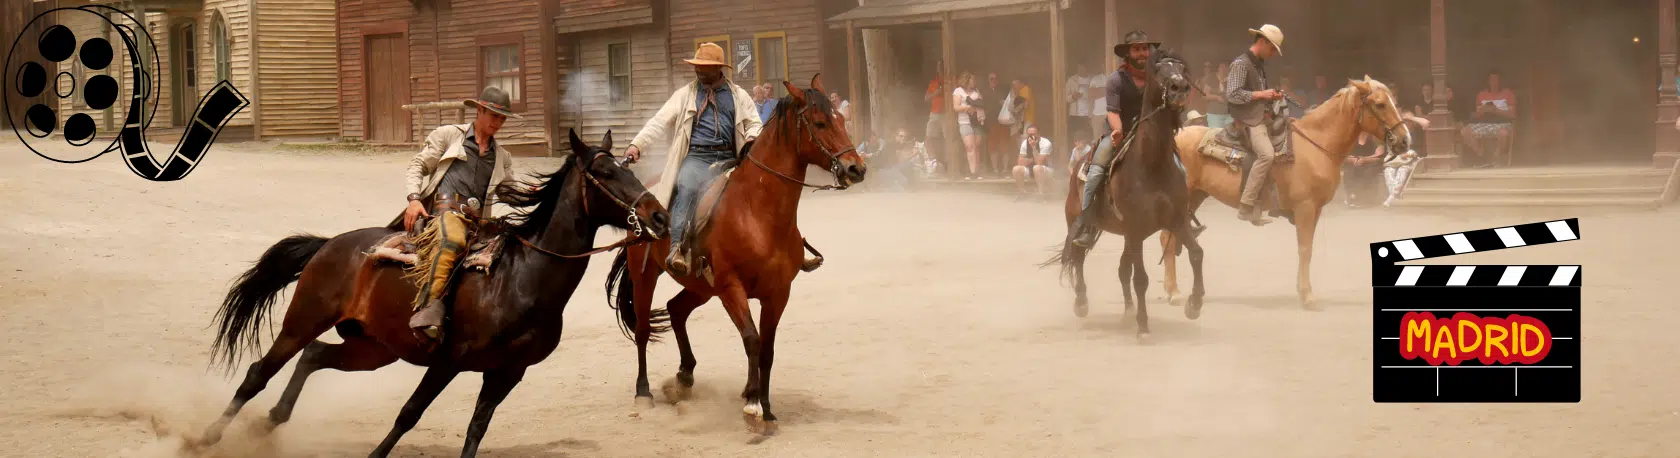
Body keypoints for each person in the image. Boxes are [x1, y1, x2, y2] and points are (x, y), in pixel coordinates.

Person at [623, 42, 762, 277]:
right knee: (686, 188)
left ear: (718, 68)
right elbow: (659, 122)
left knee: (761, 191)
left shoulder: (738, 95)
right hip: (697, 157)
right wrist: (637, 144)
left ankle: (780, 248)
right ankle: (677, 248)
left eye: (704, 67)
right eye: (697, 66)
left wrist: (751, 137)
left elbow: (755, 123)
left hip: (729, 158)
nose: (698, 71)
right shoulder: (685, 94)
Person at [400, 86, 522, 343]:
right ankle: (427, 309)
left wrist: (532, 192)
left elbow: (510, 191)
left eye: (502, 118)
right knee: (452, 240)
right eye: (494, 115)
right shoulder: (449, 135)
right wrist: (413, 199)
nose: (498, 123)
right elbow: (418, 165)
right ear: (479, 111)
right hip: (446, 212)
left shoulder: (502, 157)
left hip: (481, 221)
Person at [1067, 30, 1156, 249]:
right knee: (1095, 172)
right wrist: (1117, 131)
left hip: (1149, 132)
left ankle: (1182, 217)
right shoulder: (1116, 79)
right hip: (1118, 131)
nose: (1142, 53)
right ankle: (1087, 225)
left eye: (1145, 48)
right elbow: (1113, 111)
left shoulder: (1156, 77)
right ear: (1128, 53)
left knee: (1179, 163)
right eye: (1137, 49)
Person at [1228, 24, 1287, 225]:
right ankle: (1247, 204)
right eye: (1272, 48)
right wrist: (1263, 94)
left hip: (1261, 116)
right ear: (1262, 42)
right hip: (1249, 120)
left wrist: (1271, 96)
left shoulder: (1258, 65)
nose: (1273, 54)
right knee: (1266, 155)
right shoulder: (1241, 64)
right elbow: (1232, 94)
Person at [1460, 69, 1516, 167]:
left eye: (1496, 80)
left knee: (1503, 133)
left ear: (1500, 81)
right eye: (1492, 80)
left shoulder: (1508, 94)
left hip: (1502, 122)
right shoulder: (1481, 95)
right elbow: (1477, 115)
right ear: (1488, 81)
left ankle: (1497, 158)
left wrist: (1496, 110)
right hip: (1484, 122)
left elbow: (1513, 114)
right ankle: (1481, 156)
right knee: (1465, 131)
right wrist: (1483, 110)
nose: (1494, 83)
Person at [953, 72, 985, 179]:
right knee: (970, 147)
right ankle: (972, 172)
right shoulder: (958, 91)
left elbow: (982, 103)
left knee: (977, 146)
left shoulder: (976, 91)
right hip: (965, 121)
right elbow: (956, 107)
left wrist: (977, 107)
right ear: (966, 81)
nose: (974, 82)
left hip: (977, 120)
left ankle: (977, 171)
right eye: (972, 80)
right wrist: (967, 108)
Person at [1012, 124, 1054, 197]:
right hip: (1030, 169)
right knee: (1016, 169)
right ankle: (1022, 193)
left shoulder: (1046, 143)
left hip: (1046, 170)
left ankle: (1041, 194)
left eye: (1033, 134)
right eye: (1029, 134)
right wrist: (1033, 159)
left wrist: (1034, 147)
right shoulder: (1025, 143)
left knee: (1037, 167)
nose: (1031, 136)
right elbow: (1020, 162)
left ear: (1038, 134)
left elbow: (1039, 162)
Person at [1202, 62, 1232, 129]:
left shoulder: (1231, 79)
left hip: (1229, 114)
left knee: (1230, 134)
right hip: (1214, 114)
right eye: (1221, 67)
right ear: (1218, 68)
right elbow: (1204, 95)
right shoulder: (1212, 78)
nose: (1224, 69)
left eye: (1226, 67)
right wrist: (1217, 97)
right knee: (1216, 133)